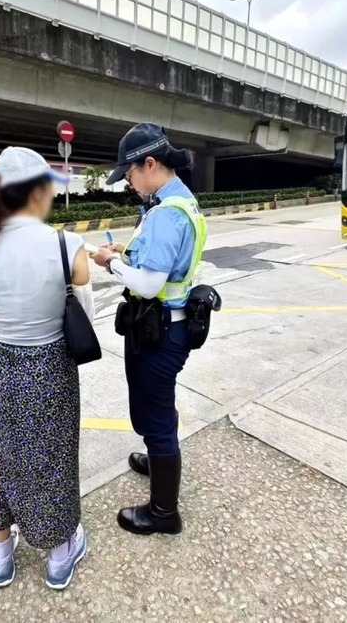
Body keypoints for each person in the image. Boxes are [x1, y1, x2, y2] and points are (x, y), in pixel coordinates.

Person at [0, 147, 94, 590]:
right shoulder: (66, 246)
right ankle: (60, 557)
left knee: (3, 460)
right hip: (50, 367)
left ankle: (1, 557)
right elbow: (85, 319)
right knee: (54, 459)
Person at [89, 123, 207, 536]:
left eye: (129, 175)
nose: (128, 183)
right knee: (159, 408)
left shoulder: (164, 214)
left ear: (150, 164)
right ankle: (157, 461)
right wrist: (127, 252)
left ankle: (162, 512)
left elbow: (148, 284)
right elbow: (164, 262)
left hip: (161, 331)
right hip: (169, 329)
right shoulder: (181, 203)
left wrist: (110, 263)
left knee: (154, 415)